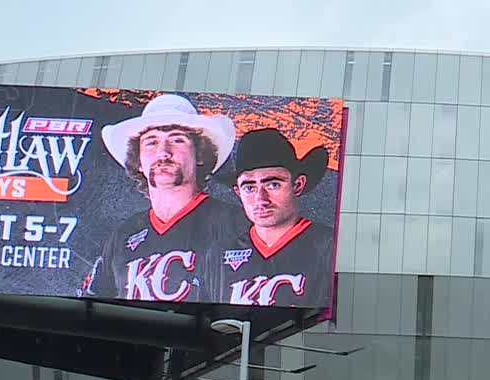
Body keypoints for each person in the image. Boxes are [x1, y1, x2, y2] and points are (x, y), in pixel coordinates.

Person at [78, 93, 246, 304]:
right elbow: (94, 307)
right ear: (137, 160)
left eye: (177, 140)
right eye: (151, 142)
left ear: (200, 155)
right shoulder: (124, 234)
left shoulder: (234, 223)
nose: (163, 153)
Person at [214, 127, 336, 307]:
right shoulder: (216, 256)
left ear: (298, 185)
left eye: (273, 184)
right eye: (249, 187)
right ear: (238, 192)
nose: (260, 199)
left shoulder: (331, 247)